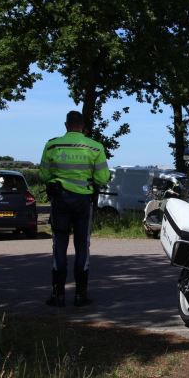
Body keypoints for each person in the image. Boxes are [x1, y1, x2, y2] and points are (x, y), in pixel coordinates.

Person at [39, 111, 110, 307]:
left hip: (60, 200)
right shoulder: (95, 147)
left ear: (66, 124)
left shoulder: (52, 145)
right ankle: (80, 295)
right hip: (83, 201)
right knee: (82, 246)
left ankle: (58, 295)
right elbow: (102, 178)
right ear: (83, 125)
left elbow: (44, 175)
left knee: (59, 245)